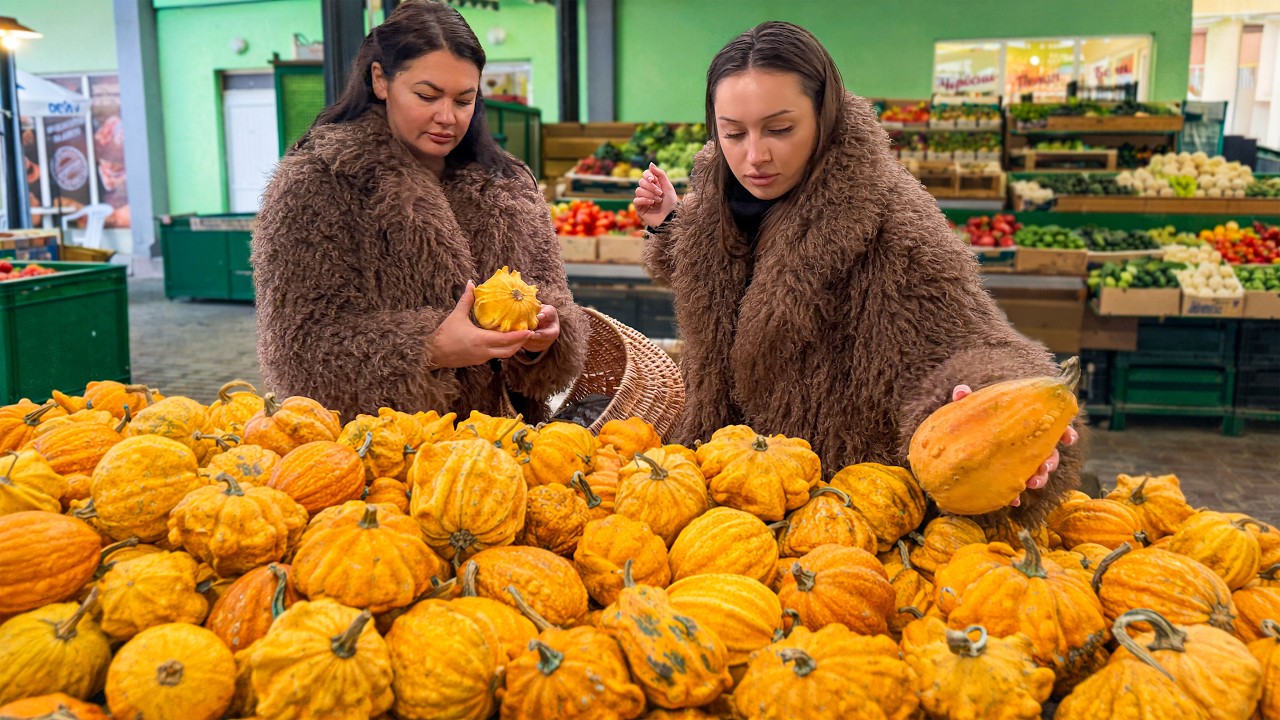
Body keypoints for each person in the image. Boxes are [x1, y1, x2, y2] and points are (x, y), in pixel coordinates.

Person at [635, 22, 1081, 525]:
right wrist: (672, 223)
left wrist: (1000, 409)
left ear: (824, 118)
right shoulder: (718, 202)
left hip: (837, 511)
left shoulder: (895, 225)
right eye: (732, 132)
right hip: (722, 489)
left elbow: (967, 344)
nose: (753, 156)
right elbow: (729, 284)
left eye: (780, 129)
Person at [254, 0, 586, 423]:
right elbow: (297, 346)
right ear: (380, 80)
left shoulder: (508, 187)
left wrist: (545, 337)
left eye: (465, 100)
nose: (446, 117)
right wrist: (430, 347)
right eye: (427, 96)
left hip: (507, 448)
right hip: (381, 452)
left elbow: (550, 294)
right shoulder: (316, 183)